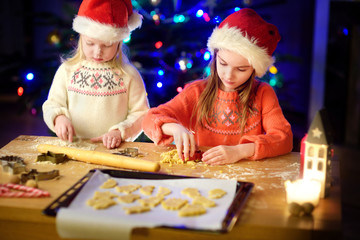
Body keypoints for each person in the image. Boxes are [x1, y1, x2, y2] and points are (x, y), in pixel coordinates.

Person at [142, 8, 293, 165]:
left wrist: (240, 151)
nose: (228, 75)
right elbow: (149, 120)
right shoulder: (197, 91)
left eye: (241, 69)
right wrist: (174, 128)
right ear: (215, 57)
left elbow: (284, 138)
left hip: (247, 176)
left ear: (255, 69)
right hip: (204, 175)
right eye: (223, 63)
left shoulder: (263, 93)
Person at [42, 0, 149, 149]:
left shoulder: (129, 75)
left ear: (118, 42)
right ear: (81, 39)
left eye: (107, 45)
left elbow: (141, 113)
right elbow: (52, 104)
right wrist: (58, 118)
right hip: (74, 148)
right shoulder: (67, 70)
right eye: (90, 43)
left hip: (115, 151)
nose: (98, 52)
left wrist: (120, 132)